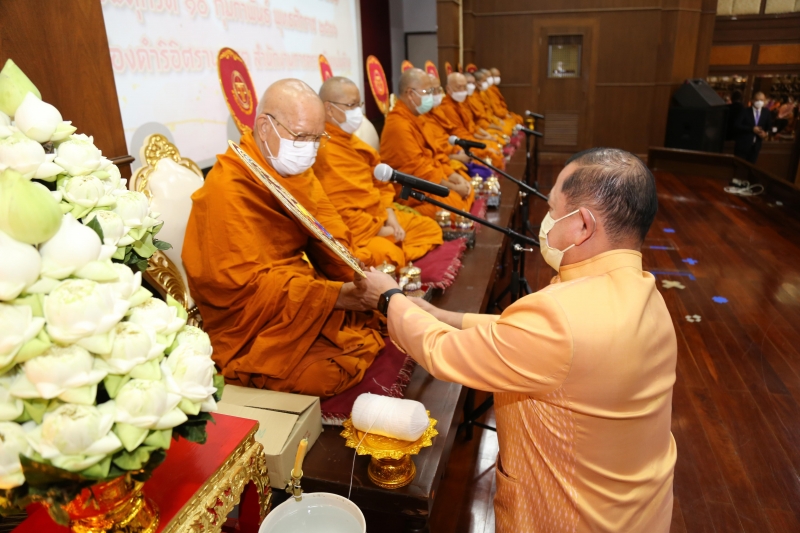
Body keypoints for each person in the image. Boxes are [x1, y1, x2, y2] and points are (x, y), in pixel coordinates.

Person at [360, 148, 677, 532]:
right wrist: (443, 316)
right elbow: (526, 338)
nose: (546, 220)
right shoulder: (646, 295)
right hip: (639, 511)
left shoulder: (561, 317)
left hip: (574, 518)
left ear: (582, 226)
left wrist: (389, 298)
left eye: (553, 209)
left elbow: (443, 353)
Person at [183, 79, 384, 398]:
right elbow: (237, 286)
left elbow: (331, 240)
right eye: (302, 137)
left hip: (298, 292)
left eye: (318, 138)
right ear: (265, 127)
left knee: (370, 321)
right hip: (254, 323)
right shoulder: (226, 189)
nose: (311, 149)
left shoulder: (298, 174)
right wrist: (335, 297)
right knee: (324, 374)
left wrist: (358, 279)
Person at [314, 76, 442, 268]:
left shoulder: (353, 143)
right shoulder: (322, 150)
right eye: (351, 105)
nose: (358, 111)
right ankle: (395, 255)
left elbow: (380, 185)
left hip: (379, 214)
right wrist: (380, 230)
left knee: (430, 229)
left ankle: (394, 257)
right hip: (358, 231)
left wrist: (390, 218)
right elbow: (339, 211)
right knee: (387, 253)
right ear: (329, 109)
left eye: (359, 104)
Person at [380, 68, 474, 218]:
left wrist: (454, 177)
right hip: (412, 190)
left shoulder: (418, 117)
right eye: (427, 91)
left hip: (432, 179)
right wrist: (451, 188)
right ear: (410, 94)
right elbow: (419, 171)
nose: (431, 96)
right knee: (456, 204)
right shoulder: (398, 125)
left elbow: (436, 155)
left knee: (468, 186)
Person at [432, 72, 505, 167]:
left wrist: (486, 136)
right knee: (490, 152)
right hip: (456, 146)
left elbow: (471, 126)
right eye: (459, 87)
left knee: (494, 145)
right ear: (448, 89)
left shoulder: (460, 103)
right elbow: (457, 135)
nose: (463, 90)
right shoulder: (446, 107)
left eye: (464, 87)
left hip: (465, 141)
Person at [734, 91, 772, 163]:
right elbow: (737, 125)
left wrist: (765, 134)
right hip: (742, 145)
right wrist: (751, 129)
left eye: (761, 100)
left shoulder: (766, 113)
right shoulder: (745, 111)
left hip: (756, 146)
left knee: (751, 166)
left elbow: (769, 127)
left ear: (765, 101)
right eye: (757, 100)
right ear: (752, 100)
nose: (759, 102)